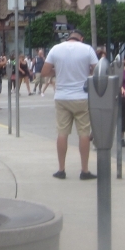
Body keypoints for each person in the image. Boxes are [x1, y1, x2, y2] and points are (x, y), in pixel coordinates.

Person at [40, 28, 99, 179]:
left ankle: (61, 170)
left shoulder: (56, 49)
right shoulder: (87, 49)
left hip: (62, 97)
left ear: (69, 37)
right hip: (82, 96)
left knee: (62, 133)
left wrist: (58, 71)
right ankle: (84, 170)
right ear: (82, 38)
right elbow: (98, 71)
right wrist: (87, 73)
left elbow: (45, 72)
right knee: (84, 134)